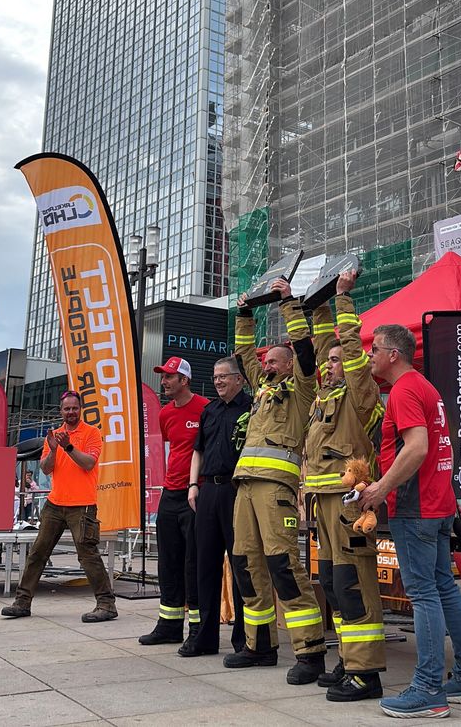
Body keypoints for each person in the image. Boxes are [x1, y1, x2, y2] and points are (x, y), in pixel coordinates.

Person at [359, 324, 461, 719]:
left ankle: (428, 688)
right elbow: (438, 449)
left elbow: (416, 448)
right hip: (436, 505)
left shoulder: (403, 391)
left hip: (416, 507)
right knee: (443, 589)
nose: (370, 357)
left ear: (393, 354)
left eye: (374, 350)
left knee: (424, 594)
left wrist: (381, 487)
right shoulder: (427, 388)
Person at [224, 278, 327, 685]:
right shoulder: (263, 390)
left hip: (276, 490)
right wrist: (245, 312)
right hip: (245, 485)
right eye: (266, 361)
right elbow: (243, 352)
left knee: (284, 566)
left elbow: (305, 347)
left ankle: (310, 651)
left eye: (275, 360)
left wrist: (288, 303)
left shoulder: (303, 388)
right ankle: (259, 645)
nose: (266, 364)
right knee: (246, 565)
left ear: (290, 365)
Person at [305, 269, 386, 702]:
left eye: (337, 360)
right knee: (335, 585)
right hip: (324, 505)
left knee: (355, 584)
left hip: (350, 507)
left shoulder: (361, 394)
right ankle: (349, 659)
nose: (331, 364)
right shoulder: (325, 399)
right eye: (330, 360)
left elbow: (351, 354)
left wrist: (342, 302)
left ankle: (366, 671)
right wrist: (316, 304)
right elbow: (323, 350)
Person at [1, 390, 117, 623]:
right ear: (60, 410)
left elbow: (89, 463)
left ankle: (106, 604)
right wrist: (54, 449)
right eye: (67, 409)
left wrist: (69, 447)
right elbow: (45, 468)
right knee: (37, 553)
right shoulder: (54, 435)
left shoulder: (92, 433)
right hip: (55, 504)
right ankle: (22, 602)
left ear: (80, 409)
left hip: (82, 506)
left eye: (74, 408)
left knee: (88, 556)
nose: (71, 412)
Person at [139, 356, 209, 652]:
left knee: (192, 564)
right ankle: (168, 625)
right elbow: (172, 447)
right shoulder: (165, 414)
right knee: (167, 561)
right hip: (170, 493)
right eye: (163, 376)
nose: (164, 382)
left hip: (197, 494)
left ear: (184, 380)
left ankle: (196, 630)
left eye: (169, 377)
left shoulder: (206, 408)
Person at [184, 356, 250, 657]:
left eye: (224, 376)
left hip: (238, 491)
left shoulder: (251, 409)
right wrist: (193, 485)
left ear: (239, 378)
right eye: (215, 377)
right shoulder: (208, 411)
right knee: (205, 564)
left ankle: (243, 640)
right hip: (208, 490)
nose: (218, 382)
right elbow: (198, 450)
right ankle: (204, 637)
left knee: (241, 565)